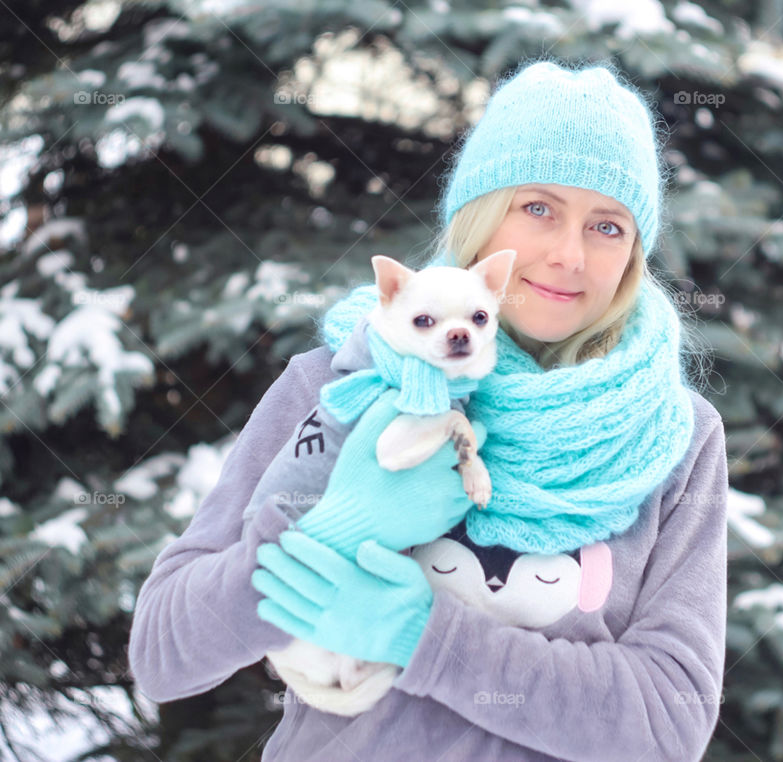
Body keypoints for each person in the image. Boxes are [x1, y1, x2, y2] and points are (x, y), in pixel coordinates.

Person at [128, 57, 729, 762]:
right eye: (538, 208)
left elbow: (667, 725)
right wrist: (319, 537)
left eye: (608, 226)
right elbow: (164, 653)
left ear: (633, 255)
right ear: (479, 219)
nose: (570, 255)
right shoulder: (343, 382)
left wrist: (427, 638)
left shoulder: (672, 437)